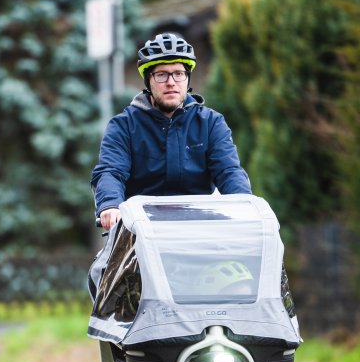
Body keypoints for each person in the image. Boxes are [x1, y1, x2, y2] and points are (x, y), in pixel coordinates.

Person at [90, 32, 252, 230]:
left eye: (178, 73)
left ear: (187, 78)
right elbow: (111, 171)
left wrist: (245, 205)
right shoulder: (123, 126)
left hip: (200, 229)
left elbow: (229, 171)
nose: (171, 82)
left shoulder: (211, 123)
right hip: (140, 231)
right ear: (148, 81)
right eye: (161, 74)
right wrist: (110, 205)